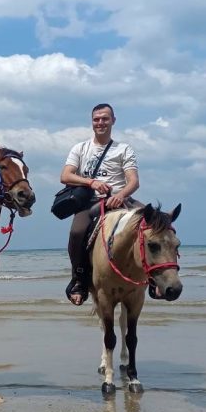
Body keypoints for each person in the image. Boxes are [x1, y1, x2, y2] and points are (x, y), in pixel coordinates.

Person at [60, 102, 140, 306]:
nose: (100, 122)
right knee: (76, 233)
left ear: (113, 121)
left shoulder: (123, 149)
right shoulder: (80, 148)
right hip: (91, 201)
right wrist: (91, 182)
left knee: (158, 222)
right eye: (96, 119)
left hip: (120, 199)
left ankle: (158, 278)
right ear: (92, 122)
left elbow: (133, 181)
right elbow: (66, 175)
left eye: (105, 118)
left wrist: (120, 195)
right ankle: (79, 279)